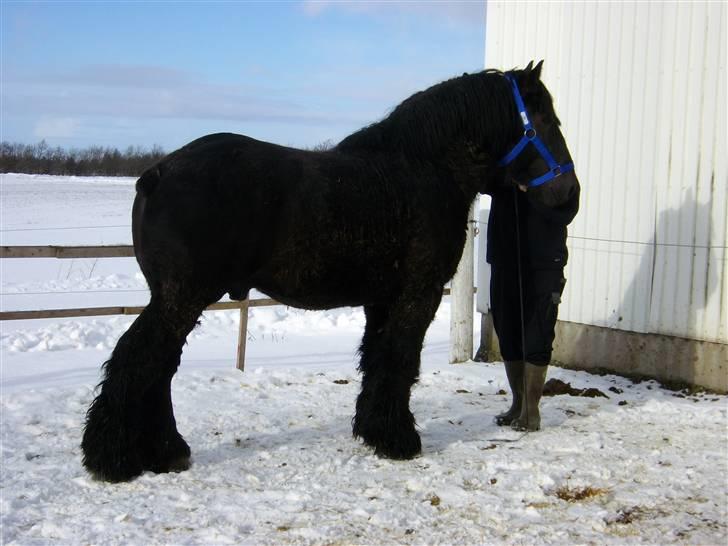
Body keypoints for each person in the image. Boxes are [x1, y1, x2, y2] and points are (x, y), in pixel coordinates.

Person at [487, 181, 580, 431]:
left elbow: (568, 207)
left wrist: (535, 191)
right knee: (507, 330)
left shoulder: (554, 167)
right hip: (505, 259)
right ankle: (518, 404)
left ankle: (531, 411)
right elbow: (484, 182)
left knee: (538, 331)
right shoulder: (504, 164)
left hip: (544, 262)